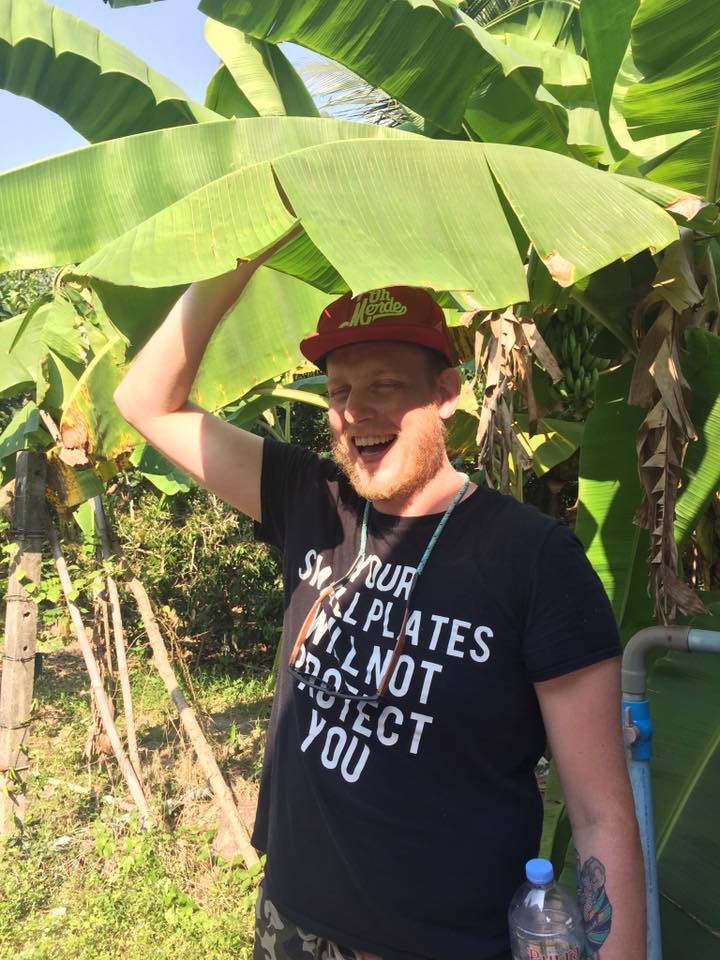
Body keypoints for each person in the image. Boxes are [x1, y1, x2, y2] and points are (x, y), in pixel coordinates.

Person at [114, 242, 646, 960]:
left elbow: (599, 813)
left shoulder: (534, 558)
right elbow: (144, 403)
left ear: (447, 393)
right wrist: (234, 261)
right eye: (338, 391)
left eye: (385, 386)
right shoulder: (311, 500)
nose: (354, 412)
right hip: (290, 921)